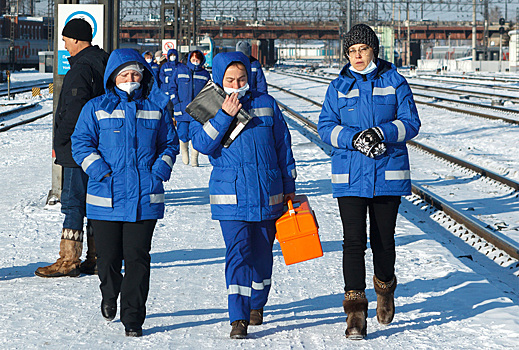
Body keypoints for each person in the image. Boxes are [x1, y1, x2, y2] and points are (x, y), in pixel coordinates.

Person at [317, 24, 421, 339]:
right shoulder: (338, 87)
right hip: (350, 175)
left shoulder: (395, 82)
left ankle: (385, 288)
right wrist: (353, 138)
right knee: (352, 242)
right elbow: (325, 127)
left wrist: (381, 133)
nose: (357, 56)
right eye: (351, 51)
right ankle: (355, 313)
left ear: (373, 49)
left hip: (387, 173)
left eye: (362, 49)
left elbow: (411, 122)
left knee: (383, 241)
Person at [71, 49, 179, 337]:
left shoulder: (156, 107)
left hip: (144, 198)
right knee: (107, 259)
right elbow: (81, 143)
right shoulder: (96, 107)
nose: (130, 79)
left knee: (138, 260)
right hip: (105, 197)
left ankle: (133, 317)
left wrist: (158, 172)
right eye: (124, 74)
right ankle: (109, 293)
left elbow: (169, 144)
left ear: (143, 76)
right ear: (113, 78)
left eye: (135, 74)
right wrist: (101, 171)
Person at [190, 52, 297, 339]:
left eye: (241, 79)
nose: (237, 84)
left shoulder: (266, 104)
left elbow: (283, 147)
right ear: (219, 79)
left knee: (263, 256)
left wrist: (289, 186)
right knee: (237, 254)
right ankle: (238, 317)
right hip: (232, 196)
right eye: (230, 79)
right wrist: (225, 114)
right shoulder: (208, 105)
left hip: (268, 193)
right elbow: (201, 144)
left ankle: (257, 304)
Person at [35, 18, 109, 278]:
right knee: (96, 202)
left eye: (66, 40)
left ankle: (69, 259)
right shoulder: (104, 62)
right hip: (101, 146)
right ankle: (97, 257)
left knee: (73, 203)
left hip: (78, 149)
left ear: (77, 39)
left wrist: (62, 141)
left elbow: (74, 112)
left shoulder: (81, 68)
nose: (64, 45)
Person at [171, 49, 210, 167]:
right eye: (193, 60)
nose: (195, 62)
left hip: (198, 110)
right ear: (189, 60)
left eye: (197, 60)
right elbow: (172, 87)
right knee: (182, 133)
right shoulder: (180, 70)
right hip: (182, 108)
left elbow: (209, 91)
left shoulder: (205, 74)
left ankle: (194, 157)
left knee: (196, 134)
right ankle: (184, 152)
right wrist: (175, 101)